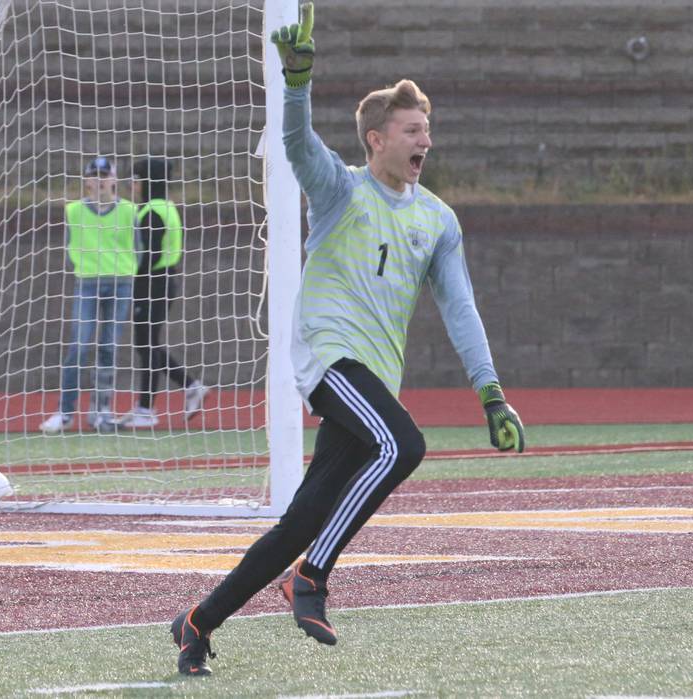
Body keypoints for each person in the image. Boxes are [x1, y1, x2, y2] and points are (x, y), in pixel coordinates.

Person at [170, 2, 525, 676]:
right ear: (376, 140)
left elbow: (462, 308)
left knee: (299, 520)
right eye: (412, 130)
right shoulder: (339, 190)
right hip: (330, 359)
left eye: (429, 130)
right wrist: (298, 81)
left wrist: (492, 394)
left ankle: (198, 621)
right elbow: (298, 144)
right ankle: (313, 578)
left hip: (371, 380)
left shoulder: (438, 220)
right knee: (405, 444)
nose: (425, 141)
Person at [40, 157, 138, 434]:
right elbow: (71, 244)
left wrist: (125, 270)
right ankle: (65, 411)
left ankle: (101, 411)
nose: (99, 180)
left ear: (114, 179)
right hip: (87, 284)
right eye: (94, 175)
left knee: (108, 348)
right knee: (79, 346)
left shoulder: (129, 211)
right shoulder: (74, 211)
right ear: (86, 180)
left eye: (104, 175)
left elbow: (138, 247)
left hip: (120, 284)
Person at [114, 157, 208, 428]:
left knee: (147, 344)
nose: (132, 184)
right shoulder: (165, 207)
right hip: (163, 280)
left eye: (136, 178)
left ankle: (151, 406)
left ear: (148, 181)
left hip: (153, 282)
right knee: (147, 344)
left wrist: (130, 271)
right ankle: (181, 390)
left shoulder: (152, 212)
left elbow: (150, 255)